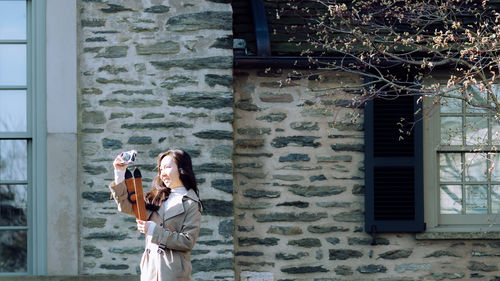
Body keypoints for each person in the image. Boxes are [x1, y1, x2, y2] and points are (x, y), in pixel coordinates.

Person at [109, 149, 203, 281]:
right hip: (150, 271)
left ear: (181, 169)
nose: (163, 173)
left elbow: (187, 241)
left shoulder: (192, 203)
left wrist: (154, 231)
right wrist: (119, 172)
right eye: (161, 168)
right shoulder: (155, 198)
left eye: (167, 167)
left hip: (173, 274)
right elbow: (126, 206)